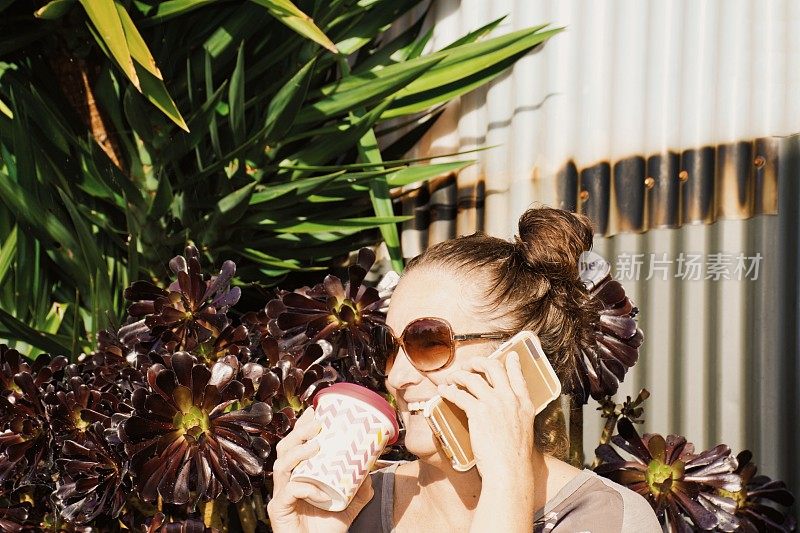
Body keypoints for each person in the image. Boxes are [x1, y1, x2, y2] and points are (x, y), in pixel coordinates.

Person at [267, 206, 661, 532]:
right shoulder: (352, 507)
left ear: (519, 361)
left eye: (428, 341)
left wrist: (507, 486)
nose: (397, 377)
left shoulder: (605, 518)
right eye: (389, 346)